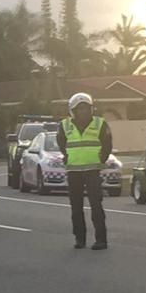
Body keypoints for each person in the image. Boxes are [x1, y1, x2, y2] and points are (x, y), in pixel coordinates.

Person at [57, 93, 112, 250]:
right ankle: (79, 239)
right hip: (74, 170)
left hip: (93, 170)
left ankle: (101, 240)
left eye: (86, 108)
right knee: (76, 207)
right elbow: (61, 143)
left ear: (91, 109)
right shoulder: (64, 125)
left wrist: (102, 158)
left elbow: (107, 143)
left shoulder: (100, 123)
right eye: (79, 109)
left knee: (96, 205)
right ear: (72, 110)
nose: (83, 112)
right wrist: (68, 157)